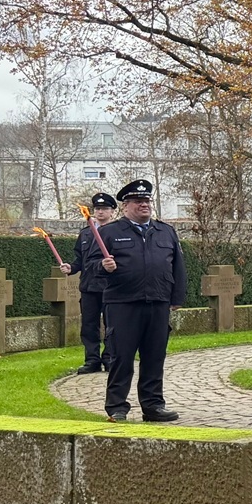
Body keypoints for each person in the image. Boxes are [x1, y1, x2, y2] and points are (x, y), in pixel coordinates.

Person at [97, 178, 185, 423]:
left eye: (146, 200)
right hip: (123, 303)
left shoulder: (165, 231)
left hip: (157, 302)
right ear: (125, 206)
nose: (144, 205)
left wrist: (176, 298)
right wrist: (103, 266)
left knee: (154, 357)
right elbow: (91, 267)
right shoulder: (109, 232)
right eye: (137, 201)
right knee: (121, 357)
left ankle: (153, 405)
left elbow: (178, 267)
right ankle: (117, 407)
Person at [68, 191, 117, 373]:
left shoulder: (117, 232)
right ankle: (92, 360)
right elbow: (80, 259)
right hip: (88, 287)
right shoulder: (86, 234)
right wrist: (71, 268)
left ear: (112, 211)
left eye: (104, 208)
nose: (100, 212)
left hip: (109, 286)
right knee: (89, 325)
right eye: (97, 208)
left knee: (112, 325)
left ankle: (110, 357)